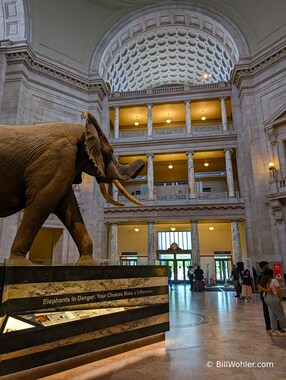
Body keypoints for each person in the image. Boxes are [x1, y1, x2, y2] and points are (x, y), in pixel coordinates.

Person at [258, 269, 286, 336]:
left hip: (267, 297)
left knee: (272, 314)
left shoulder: (264, 281)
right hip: (274, 297)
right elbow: (279, 291)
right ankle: (283, 326)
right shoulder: (274, 280)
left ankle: (274, 329)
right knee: (280, 314)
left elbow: (259, 288)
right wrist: (280, 298)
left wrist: (266, 290)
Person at [256, 261, 271, 332]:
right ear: (264, 266)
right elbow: (258, 286)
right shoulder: (260, 275)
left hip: (270, 295)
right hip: (264, 295)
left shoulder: (267, 274)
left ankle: (273, 325)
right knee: (266, 310)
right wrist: (266, 290)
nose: (268, 266)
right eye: (267, 265)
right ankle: (268, 326)